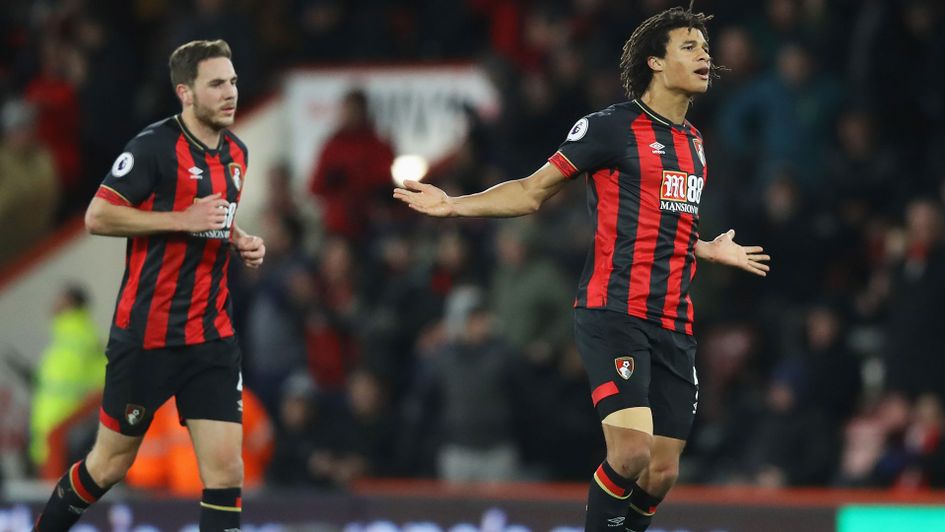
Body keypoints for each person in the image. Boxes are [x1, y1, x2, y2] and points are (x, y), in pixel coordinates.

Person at [394, 6, 770, 531]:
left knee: (661, 472)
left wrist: (705, 249)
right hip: (613, 310)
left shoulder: (696, 145)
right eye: (689, 46)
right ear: (655, 62)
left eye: (706, 46)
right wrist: (454, 204)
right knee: (632, 452)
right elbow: (530, 192)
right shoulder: (609, 127)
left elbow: (664, 225)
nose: (705, 54)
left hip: (674, 323)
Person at [33, 39, 265, 532]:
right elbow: (98, 216)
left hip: (211, 336)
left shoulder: (237, 154)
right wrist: (181, 219)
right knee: (109, 465)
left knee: (226, 471)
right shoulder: (154, 147)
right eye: (217, 84)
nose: (230, 93)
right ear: (186, 92)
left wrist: (241, 240)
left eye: (234, 82)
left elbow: (215, 220)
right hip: (147, 336)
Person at [29, 285, 105, 469]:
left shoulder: (84, 338)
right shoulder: (62, 338)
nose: (53, 304)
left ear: (70, 303)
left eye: (59, 299)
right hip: (51, 435)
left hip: (67, 437)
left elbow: (102, 386)